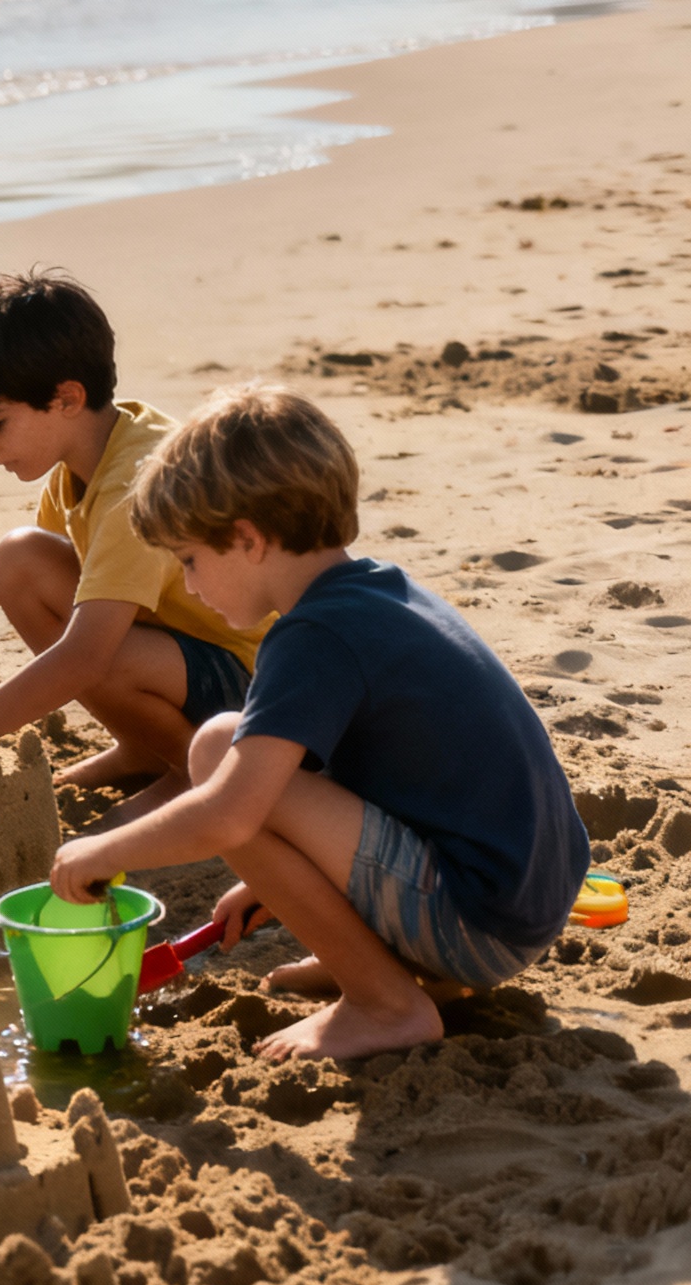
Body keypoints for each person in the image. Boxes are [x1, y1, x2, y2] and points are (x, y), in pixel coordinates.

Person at [49, 385, 588, 1061]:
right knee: (243, 753)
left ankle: (385, 1002)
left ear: (246, 539)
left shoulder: (312, 638)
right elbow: (362, 773)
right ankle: (395, 972)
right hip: (527, 896)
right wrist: (274, 880)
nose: (188, 586)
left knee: (219, 753)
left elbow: (229, 817)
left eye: (190, 560)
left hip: (477, 921)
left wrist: (103, 851)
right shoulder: (376, 591)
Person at [0, 272, 269, 819]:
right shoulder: (92, 449)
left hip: (257, 688)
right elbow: (32, 561)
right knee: (21, 559)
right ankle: (146, 748)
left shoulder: (135, 484)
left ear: (67, 398)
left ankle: (193, 770)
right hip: (192, 650)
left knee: (98, 652)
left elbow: (83, 657)